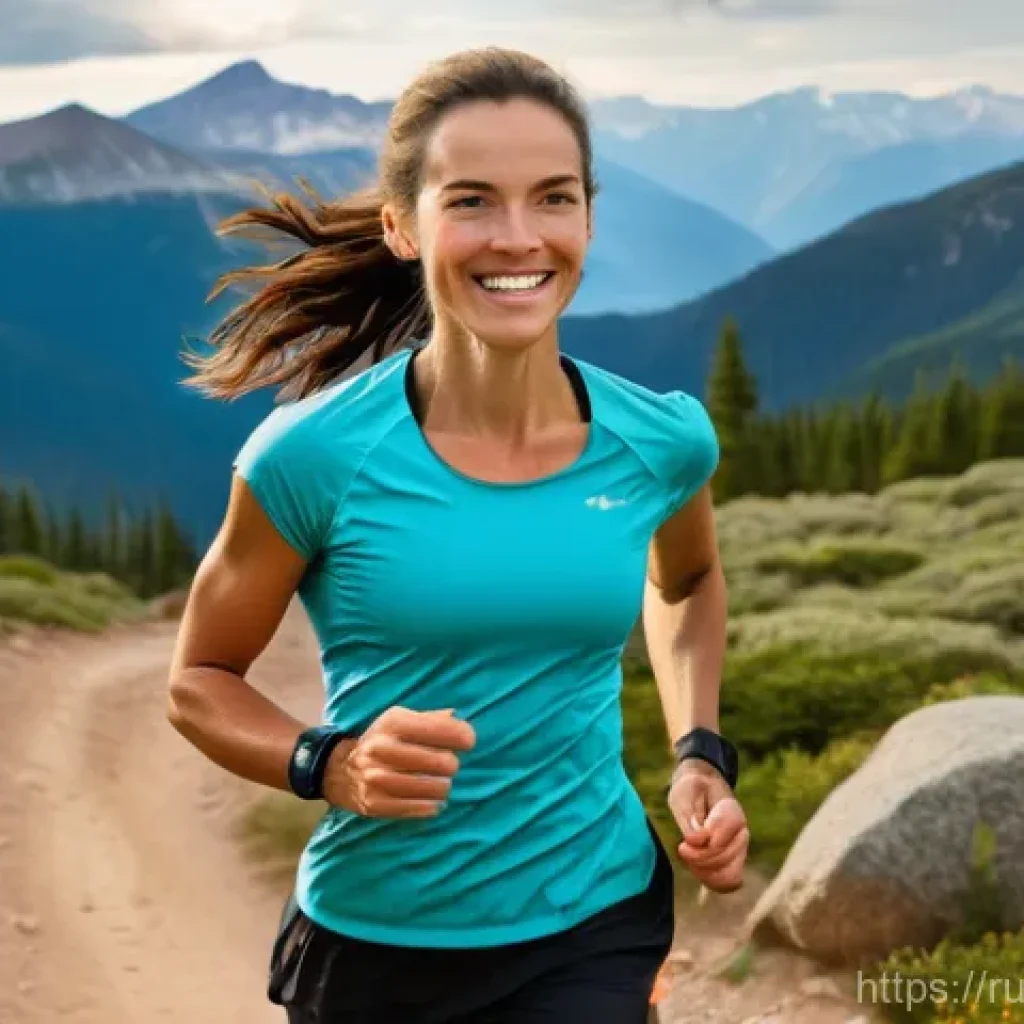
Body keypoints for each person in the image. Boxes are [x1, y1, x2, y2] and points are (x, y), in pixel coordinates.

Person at [167, 45, 749, 1024]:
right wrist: (329, 762)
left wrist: (697, 752)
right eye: (472, 201)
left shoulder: (661, 439)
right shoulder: (309, 459)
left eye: (554, 198)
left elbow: (685, 584)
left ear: (589, 216)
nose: (519, 238)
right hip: (375, 943)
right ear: (402, 226)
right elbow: (197, 681)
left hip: (594, 916)